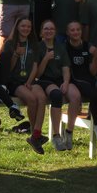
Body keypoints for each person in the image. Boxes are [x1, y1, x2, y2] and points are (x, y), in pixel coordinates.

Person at [0, 17, 48, 154]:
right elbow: (7, 69)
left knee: (41, 98)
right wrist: (15, 55)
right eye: (23, 26)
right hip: (14, 81)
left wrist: (30, 81)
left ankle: (36, 134)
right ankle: (34, 134)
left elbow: (35, 66)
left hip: (29, 80)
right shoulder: (10, 44)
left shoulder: (34, 44)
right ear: (17, 27)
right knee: (31, 99)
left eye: (28, 27)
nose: (26, 29)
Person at [35, 19, 81, 151]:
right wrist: (45, 59)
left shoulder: (60, 46)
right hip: (44, 80)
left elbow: (65, 68)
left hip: (60, 79)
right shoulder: (38, 47)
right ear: (41, 32)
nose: (49, 31)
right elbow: (38, 73)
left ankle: (69, 132)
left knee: (76, 96)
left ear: (55, 32)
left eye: (51, 29)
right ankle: (56, 135)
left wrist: (66, 82)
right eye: (46, 29)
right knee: (56, 95)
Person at [65, 21, 97, 141]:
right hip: (75, 79)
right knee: (94, 95)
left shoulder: (88, 46)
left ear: (81, 31)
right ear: (68, 32)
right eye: (72, 30)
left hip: (89, 78)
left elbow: (93, 72)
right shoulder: (65, 47)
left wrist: (95, 56)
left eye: (78, 30)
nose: (76, 32)